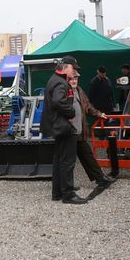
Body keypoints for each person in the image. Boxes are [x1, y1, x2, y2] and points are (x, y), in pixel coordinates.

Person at [40, 56, 87, 204]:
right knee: (67, 161)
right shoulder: (61, 83)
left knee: (59, 160)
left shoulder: (54, 79)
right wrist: (71, 112)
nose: (74, 73)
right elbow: (58, 101)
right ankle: (68, 194)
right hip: (64, 126)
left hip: (57, 126)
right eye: (73, 69)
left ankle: (58, 192)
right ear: (65, 67)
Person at [69, 72, 117, 190]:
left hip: (79, 132)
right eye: (71, 79)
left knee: (87, 155)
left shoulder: (79, 90)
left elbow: (88, 106)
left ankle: (100, 179)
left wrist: (99, 114)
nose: (74, 81)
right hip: (69, 132)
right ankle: (66, 185)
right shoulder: (64, 92)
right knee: (68, 161)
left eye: (76, 78)